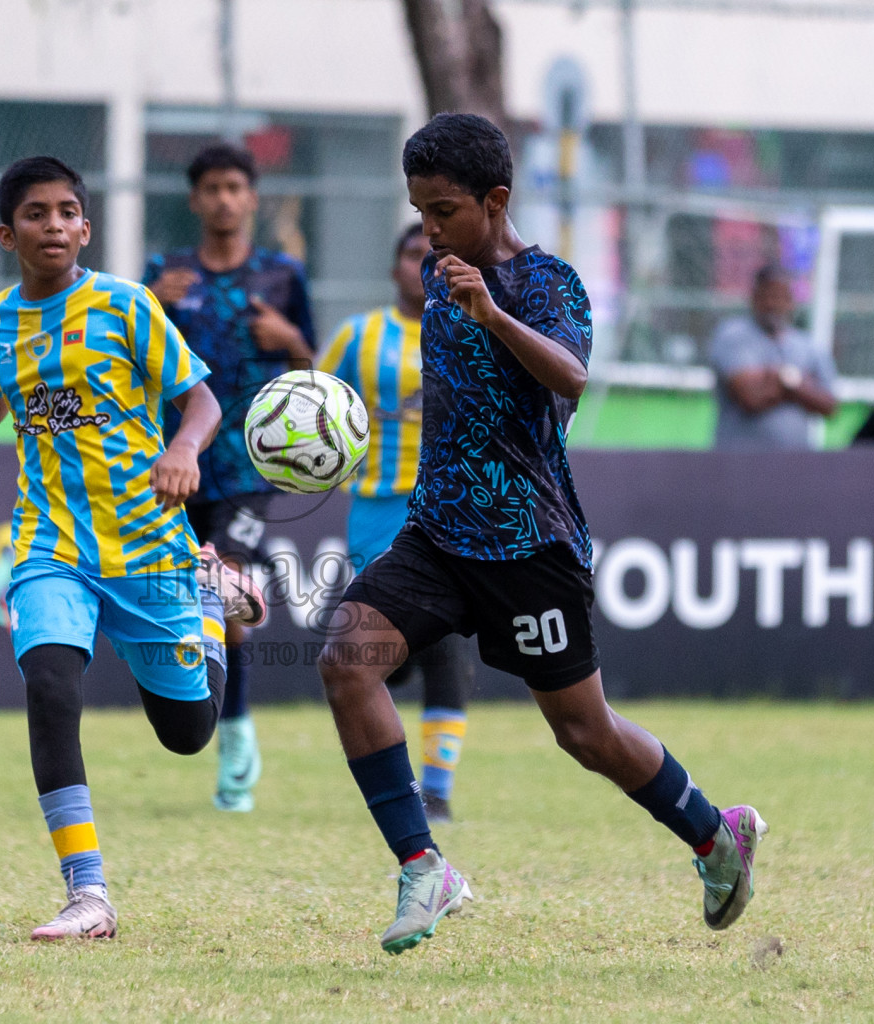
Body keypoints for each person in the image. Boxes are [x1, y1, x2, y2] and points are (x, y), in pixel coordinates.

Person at [318, 114, 767, 955]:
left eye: (445, 210)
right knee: (346, 659)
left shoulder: (545, 281)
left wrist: (492, 313)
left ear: (496, 200)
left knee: (584, 733)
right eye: (420, 211)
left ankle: (715, 834)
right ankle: (425, 867)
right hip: (438, 533)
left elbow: (572, 376)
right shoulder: (433, 270)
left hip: (530, 543)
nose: (430, 229)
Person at [0, 156, 264, 941]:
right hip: (50, 546)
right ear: (7, 233)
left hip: (148, 544)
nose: (55, 225)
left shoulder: (127, 307)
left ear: (87, 227)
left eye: (68, 211)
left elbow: (199, 399)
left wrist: (186, 450)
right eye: (37, 213)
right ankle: (88, 894)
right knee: (50, 686)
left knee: (187, 734)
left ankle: (208, 591)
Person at [143, 143, 317, 813]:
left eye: (234, 187)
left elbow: (313, 362)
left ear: (252, 198)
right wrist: (151, 304)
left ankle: (235, 736)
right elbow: (130, 354)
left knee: (228, 583)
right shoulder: (164, 275)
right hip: (177, 461)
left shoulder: (281, 276)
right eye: (210, 188)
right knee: (193, 597)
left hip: (249, 461)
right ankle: (220, 723)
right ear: (195, 200)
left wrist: (290, 340)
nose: (222, 199)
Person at [317, 223, 475, 824]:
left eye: (434, 256)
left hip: (450, 507)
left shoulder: (471, 329)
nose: (423, 265)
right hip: (379, 508)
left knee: (447, 646)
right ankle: (400, 776)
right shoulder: (360, 335)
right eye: (413, 253)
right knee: (382, 649)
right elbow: (314, 399)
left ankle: (435, 791)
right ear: (394, 269)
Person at [710, 265, 838, 449]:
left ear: (792, 301)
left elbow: (829, 405)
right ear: (755, 297)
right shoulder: (733, 336)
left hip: (795, 465)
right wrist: (797, 383)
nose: (774, 304)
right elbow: (750, 397)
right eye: (768, 295)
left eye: (782, 297)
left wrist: (779, 380)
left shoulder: (808, 345)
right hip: (740, 465)